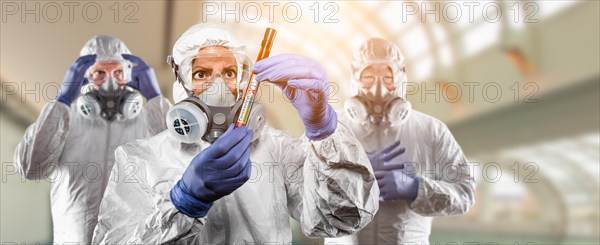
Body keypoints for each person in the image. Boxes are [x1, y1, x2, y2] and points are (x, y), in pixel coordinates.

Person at [92, 24, 379, 244]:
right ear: (180, 80)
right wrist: (184, 203)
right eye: (202, 74)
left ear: (243, 80)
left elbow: (344, 218)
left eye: (229, 72)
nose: (219, 86)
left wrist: (323, 128)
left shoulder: (276, 148)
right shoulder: (140, 159)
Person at [13, 35, 171, 244]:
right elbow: (31, 168)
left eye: (118, 72)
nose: (110, 82)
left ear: (129, 76)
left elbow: (178, 167)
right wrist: (62, 101)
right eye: (100, 73)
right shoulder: (63, 123)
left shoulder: (149, 122)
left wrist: (155, 100)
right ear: (83, 78)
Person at [325, 38, 476, 244]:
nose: (378, 86)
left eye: (387, 76)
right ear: (354, 78)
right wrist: (349, 178)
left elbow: (464, 194)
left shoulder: (431, 130)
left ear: (401, 78)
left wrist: (416, 189)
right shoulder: (330, 129)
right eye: (368, 76)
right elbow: (298, 191)